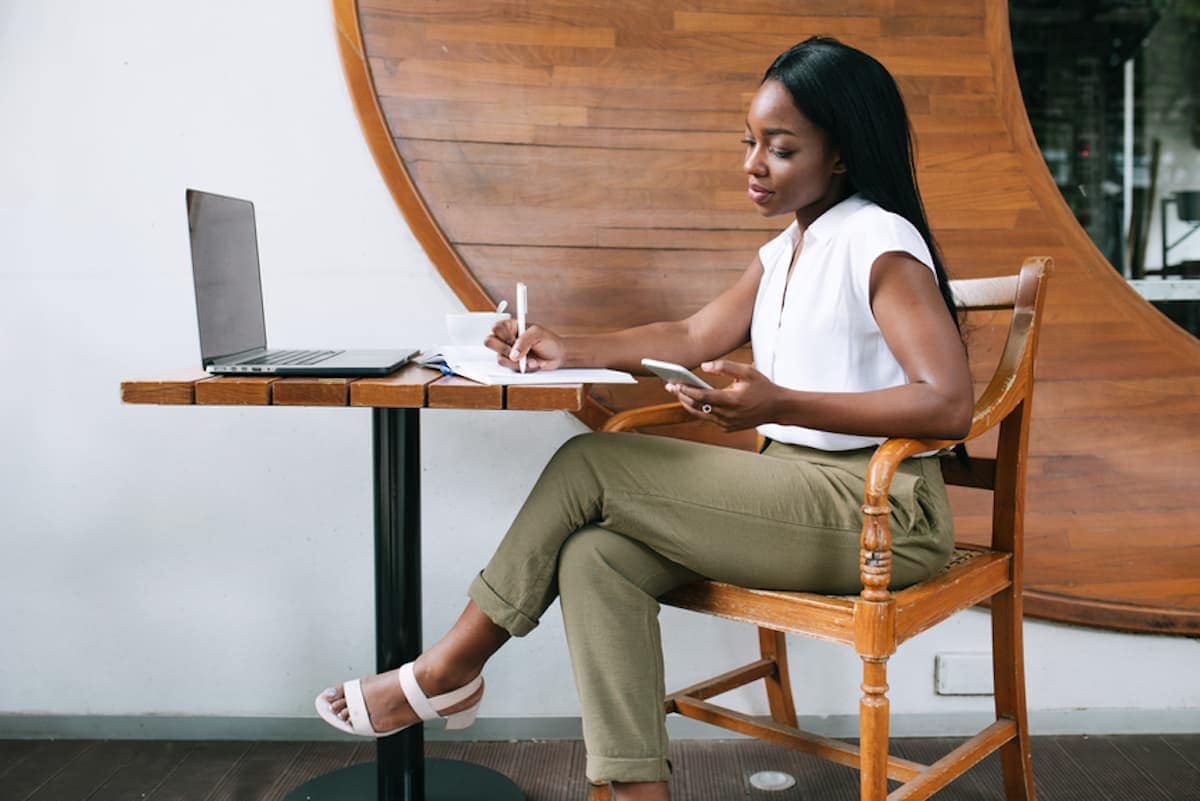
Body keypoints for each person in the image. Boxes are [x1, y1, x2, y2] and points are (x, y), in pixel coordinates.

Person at [316, 36, 973, 801]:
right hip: (800, 491)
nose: (754, 163)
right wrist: (566, 347)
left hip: (883, 512)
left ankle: (447, 669)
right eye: (750, 142)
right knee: (595, 556)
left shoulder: (879, 240)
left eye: (781, 148)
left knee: (590, 462)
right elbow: (694, 336)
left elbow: (947, 401)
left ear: (841, 156)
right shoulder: (789, 248)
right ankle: (636, 791)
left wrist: (778, 400)